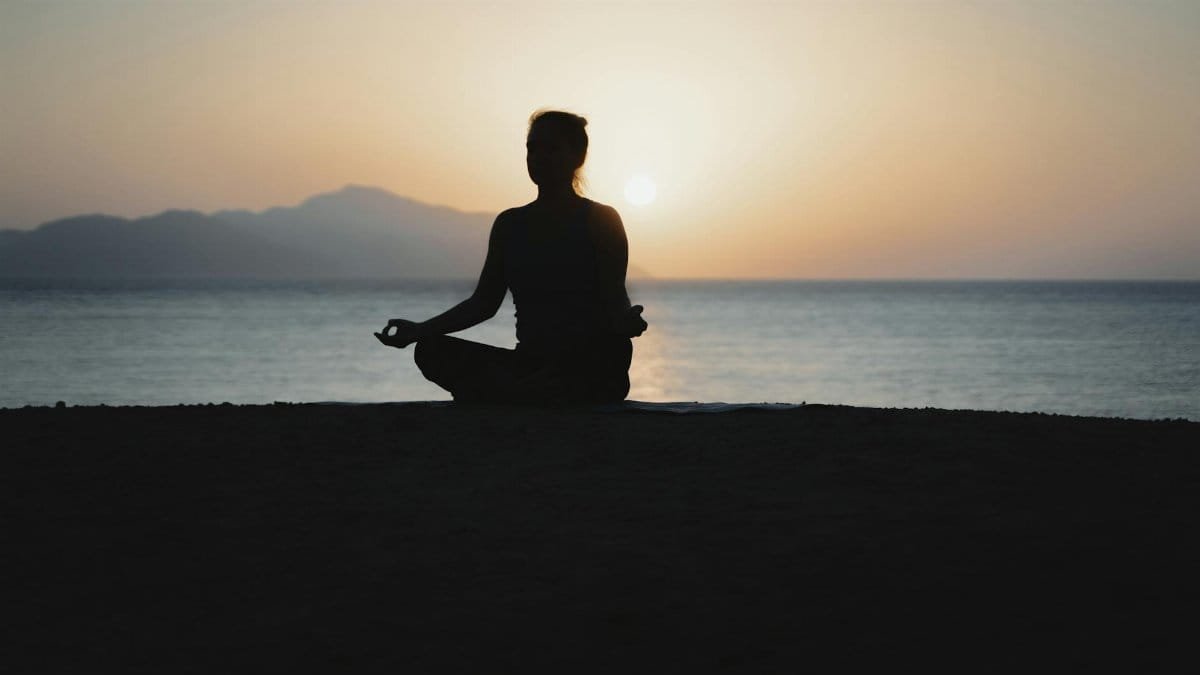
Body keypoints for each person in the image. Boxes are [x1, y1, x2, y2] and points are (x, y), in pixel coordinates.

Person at [374, 110, 647, 403]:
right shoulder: (511, 225)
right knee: (430, 350)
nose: (538, 156)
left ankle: (516, 392)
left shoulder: (601, 220)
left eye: (551, 148)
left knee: (602, 360)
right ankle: (524, 391)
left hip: (585, 365)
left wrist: (626, 322)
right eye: (532, 148)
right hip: (530, 364)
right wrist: (418, 330)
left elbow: (615, 298)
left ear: (577, 157)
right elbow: (483, 303)